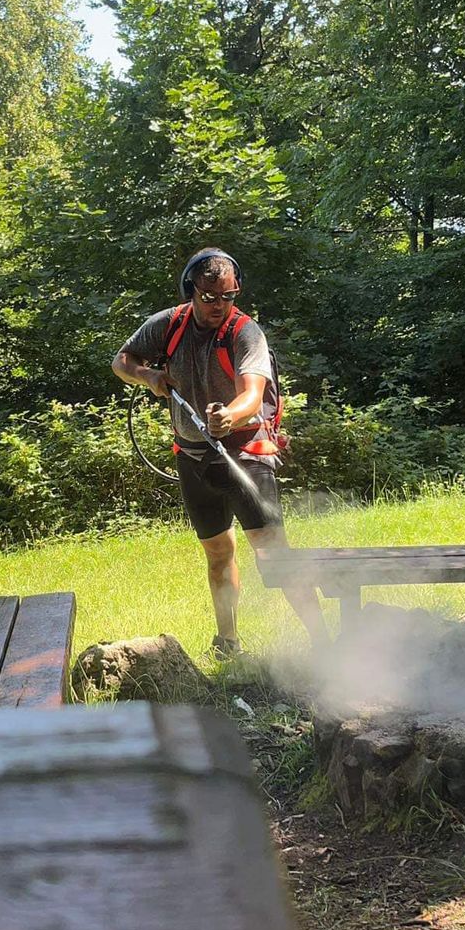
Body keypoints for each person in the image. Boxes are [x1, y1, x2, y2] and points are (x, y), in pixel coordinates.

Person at [113, 249, 328, 656]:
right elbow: (121, 361)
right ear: (191, 290)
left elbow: (252, 394)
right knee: (217, 552)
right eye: (210, 297)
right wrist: (148, 375)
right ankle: (227, 643)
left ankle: (322, 641)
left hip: (244, 451)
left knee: (272, 552)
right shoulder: (168, 325)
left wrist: (227, 417)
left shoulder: (246, 333)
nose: (219, 306)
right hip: (192, 456)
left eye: (228, 296)